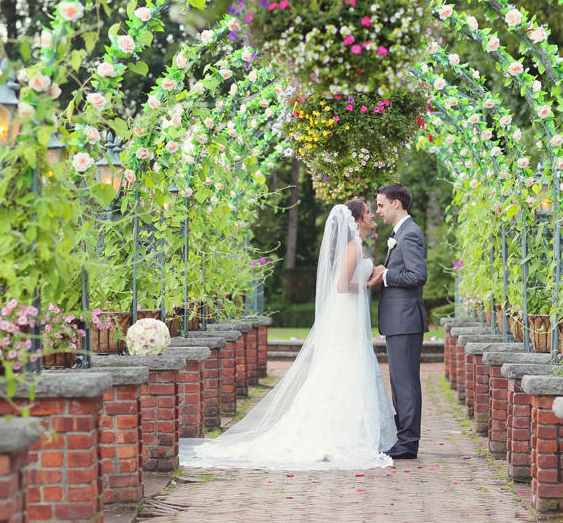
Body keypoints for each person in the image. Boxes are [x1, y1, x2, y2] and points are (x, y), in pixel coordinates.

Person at [178, 201, 397, 470]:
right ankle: (345, 433)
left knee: (346, 365)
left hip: (349, 314)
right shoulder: (352, 247)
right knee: (347, 365)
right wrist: (369, 282)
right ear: (356, 218)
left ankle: (351, 430)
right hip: (347, 314)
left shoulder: (355, 246)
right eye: (367, 210)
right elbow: (343, 285)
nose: (372, 213)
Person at [368, 183, 429, 460]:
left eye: (381, 205)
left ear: (396, 204)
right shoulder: (401, 233)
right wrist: (387, 270)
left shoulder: (410, 234)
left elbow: (418, 276)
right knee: (400, 382)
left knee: (405, 383)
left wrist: (387, 275)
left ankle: (407, 443)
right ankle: (402, 439)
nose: (377, 210)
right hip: (398, 321)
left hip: (405, 320)